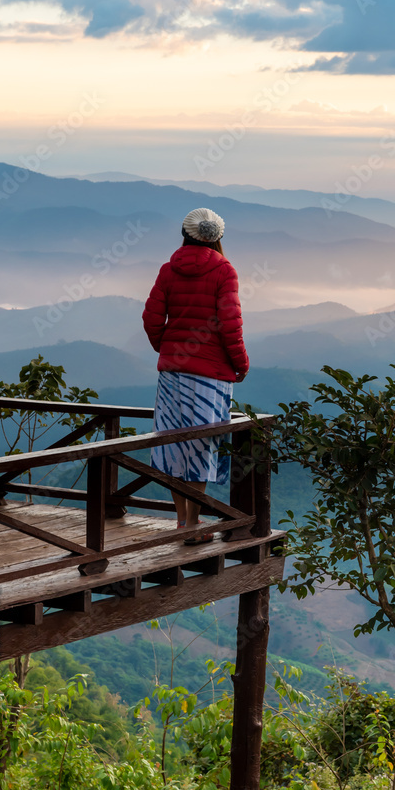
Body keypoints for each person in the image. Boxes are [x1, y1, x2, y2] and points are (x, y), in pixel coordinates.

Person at [142, 207, 249, 542]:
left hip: (173, 371)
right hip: (210, 374)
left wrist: (167, 347)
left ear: (184, 233)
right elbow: (230, 324)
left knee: (174, 444)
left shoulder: (168, 270)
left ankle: (182, 523)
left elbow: (151, 318)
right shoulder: (223, 270)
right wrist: (240, 364)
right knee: (201, 446)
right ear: (217, 237)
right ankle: (193, 525)